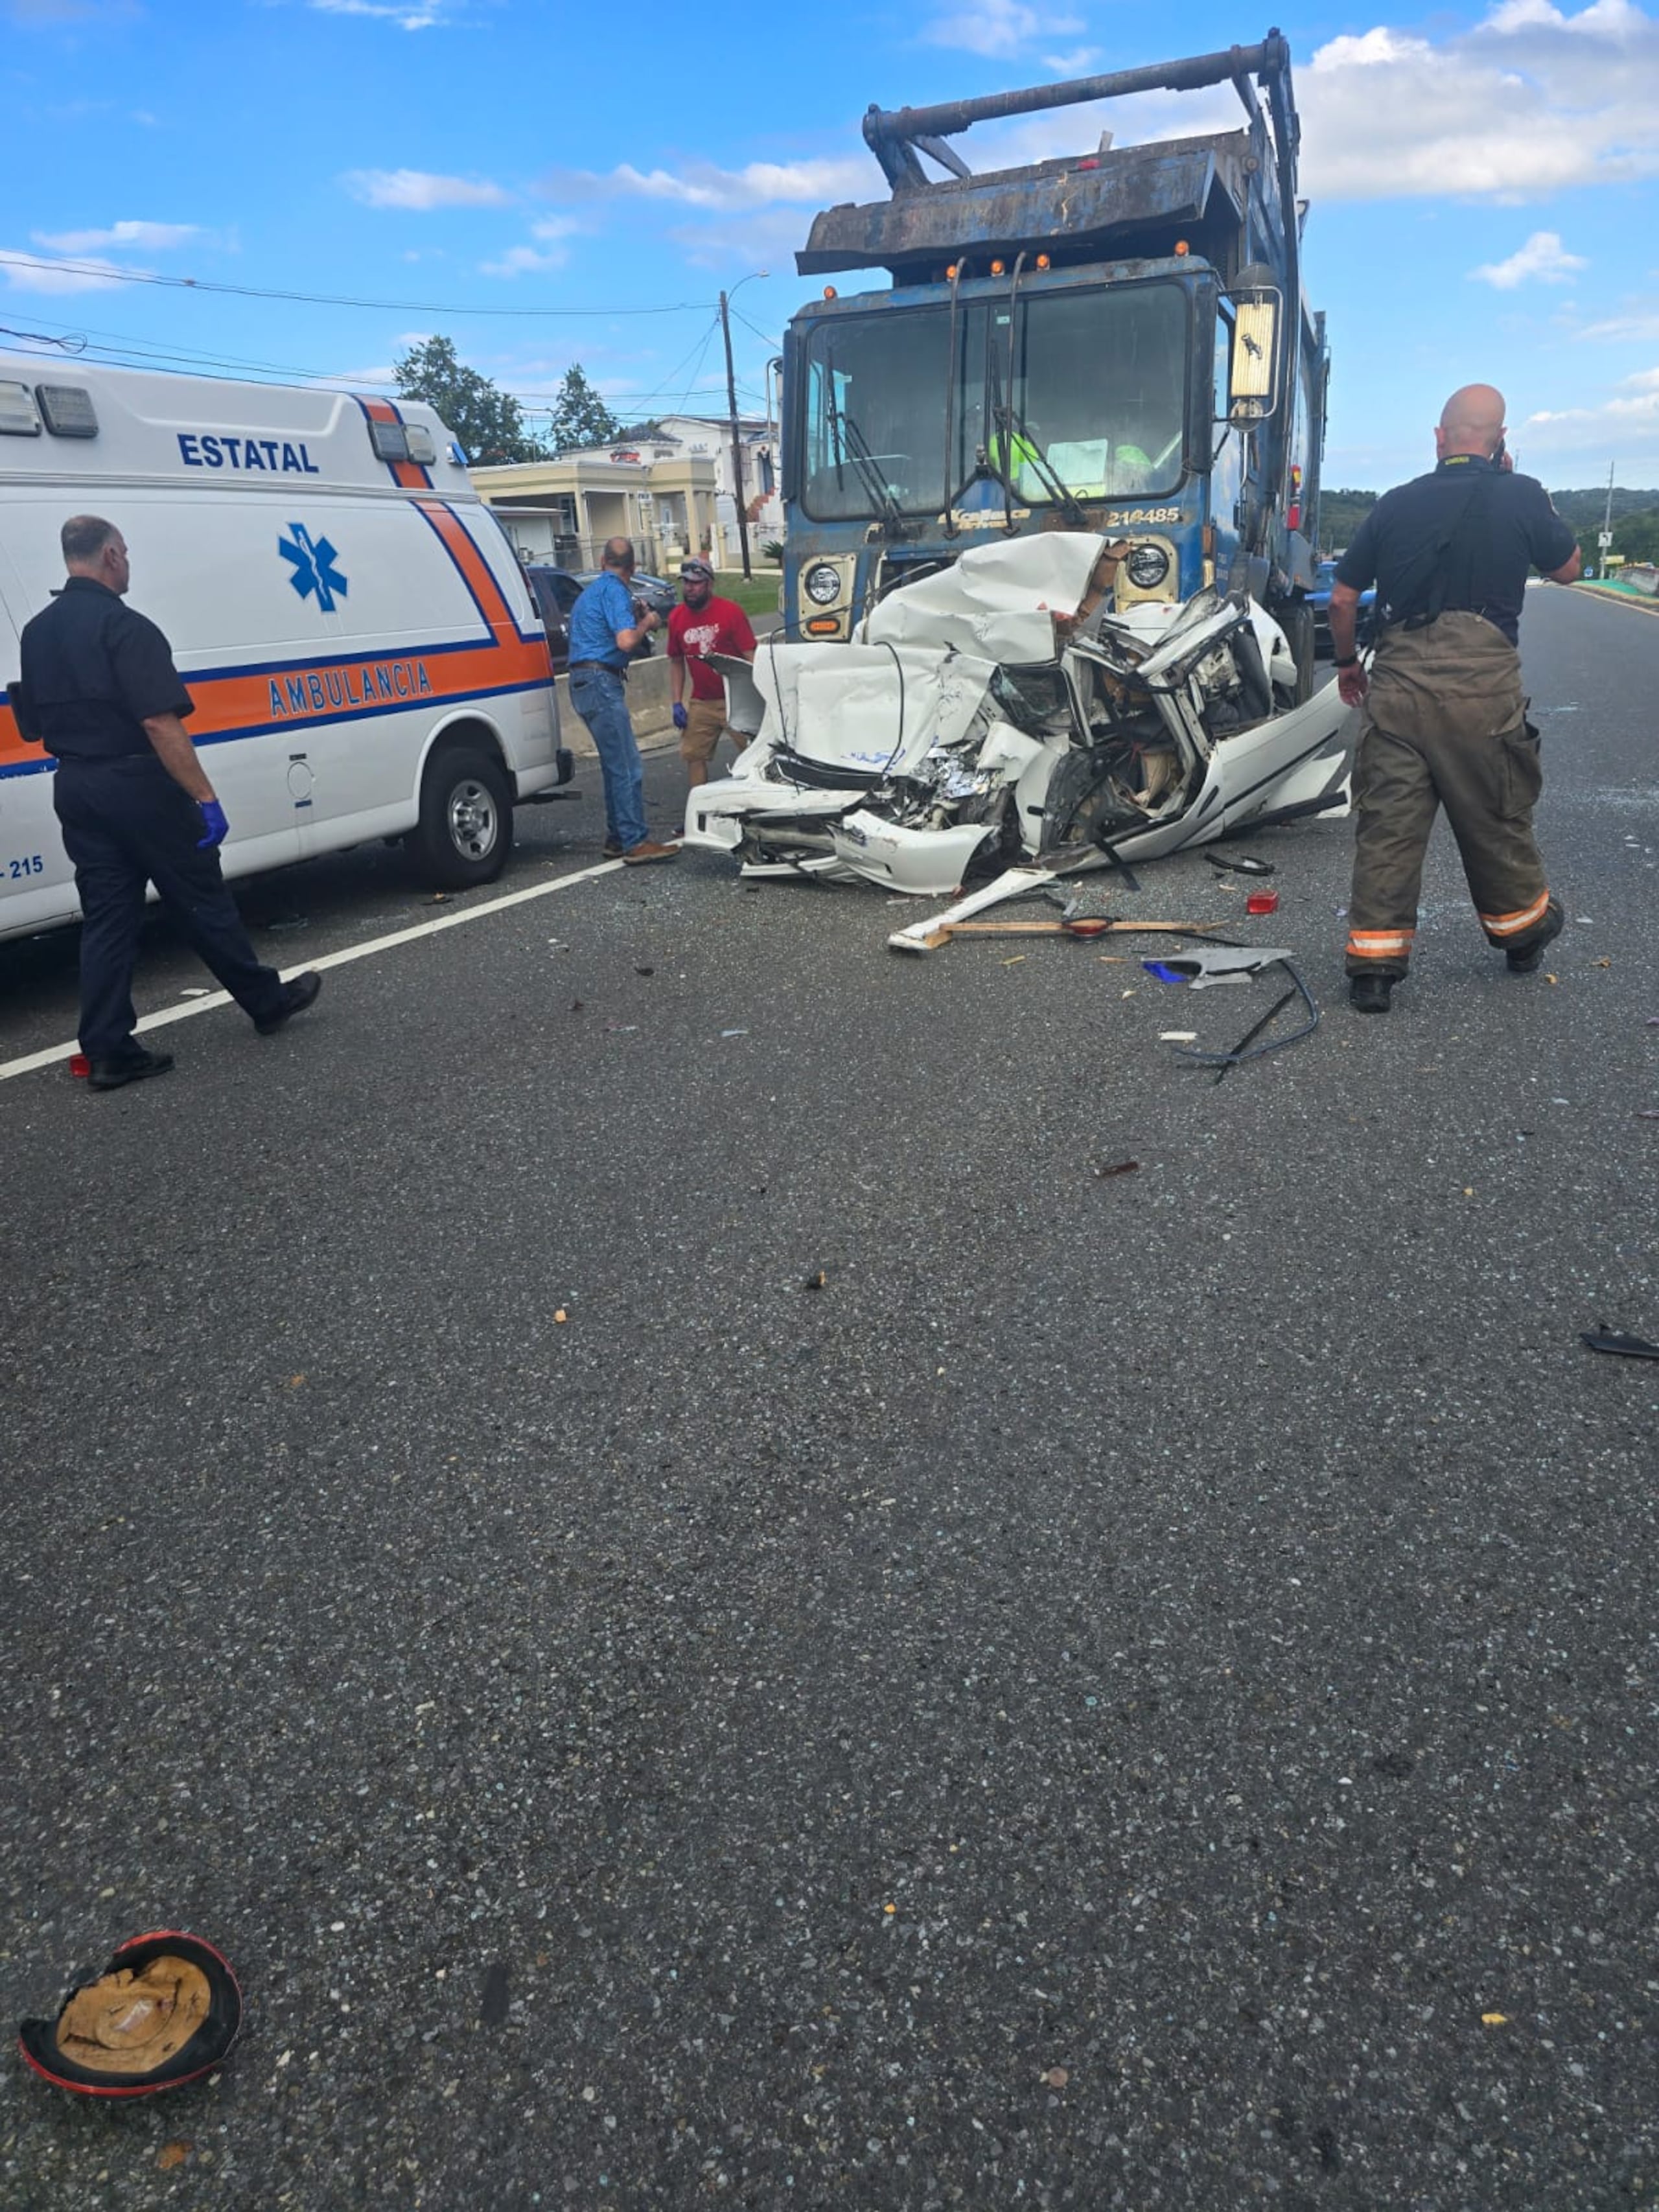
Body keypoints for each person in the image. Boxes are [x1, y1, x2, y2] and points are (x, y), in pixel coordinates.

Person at [13, 517, 320, 1089]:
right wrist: (204, 796)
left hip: (76, 785)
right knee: (201, 894)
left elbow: (32, 721)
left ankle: (107, 1049)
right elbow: (158, 721)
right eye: (124, 553)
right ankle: (266, 1001)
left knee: (107, 915)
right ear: (108, 555)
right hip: (138, 785)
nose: (128, 562)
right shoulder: (127, 628)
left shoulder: (36, 632)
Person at [1330, 384, 1581, 1015]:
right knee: (1493, 816)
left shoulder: (1393, 504)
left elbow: (1341, 597)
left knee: (1388, 827)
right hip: (1481, 692)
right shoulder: (1520, 494)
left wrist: (1344, 666)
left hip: (1398, 691)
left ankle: (1373, 969)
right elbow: (1569, 569)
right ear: (1499, 442)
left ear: (1439, 440)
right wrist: (1524, 492)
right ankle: (1522, 936)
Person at [564, 537, 678, 864]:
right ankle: (634, 840)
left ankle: (617, 837)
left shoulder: (590, 594)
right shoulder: (616, 591)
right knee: (628, 765)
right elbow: (626, 640)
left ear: (602, 562)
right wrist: (648, 622)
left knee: (614, 764)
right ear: (633, 567)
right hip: (602, 680)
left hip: (581, 681)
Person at [666, 559, 757, 789]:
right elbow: (676, 662)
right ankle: (698, 806)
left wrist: (761, 693)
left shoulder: (730, 612)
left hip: (736, 698)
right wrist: (677, 702)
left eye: (696, 583)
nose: (690, 588)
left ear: (709, 584)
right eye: (686, 582)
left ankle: (757, 802)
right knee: (693, 755)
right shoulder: (677, 618)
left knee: (754, 753)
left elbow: (751, 656)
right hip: (702, 700)